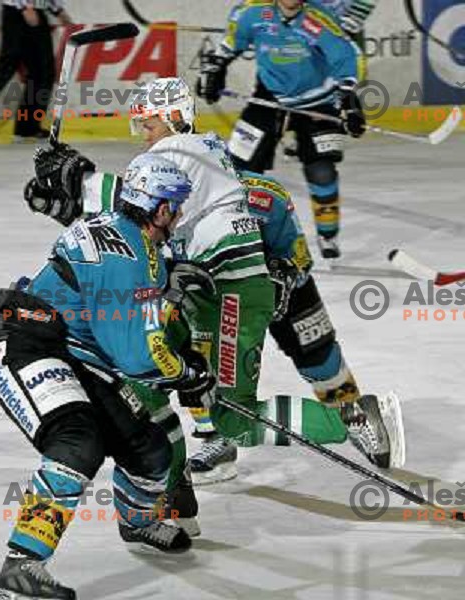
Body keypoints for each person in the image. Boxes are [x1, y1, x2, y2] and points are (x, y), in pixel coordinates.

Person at [24, 77, 402, 488]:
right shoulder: (202, 152)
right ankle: (174, 486)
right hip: (208, 286)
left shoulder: (180, 150)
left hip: (233, 287)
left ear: (174, 117)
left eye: (148, 125)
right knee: (149, 374)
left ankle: (353, 416)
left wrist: (77, 176)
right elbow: (135, 227)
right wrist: (69, 199)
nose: (144, 137)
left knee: (236, 416)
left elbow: (133, 199)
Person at [0, 153, 215, 599]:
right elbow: (134, 359)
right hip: (26, 347)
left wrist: (167, 278)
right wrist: (188, 373)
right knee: (77, 443)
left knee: (150, 452)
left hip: (77, 355)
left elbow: (124, 301)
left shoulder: (127, 234)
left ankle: (137, 523)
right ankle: (21, 568)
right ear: (160, 209)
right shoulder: (127, 258)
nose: (180, 214)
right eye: (176, 206)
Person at [197, 0, 367, 259]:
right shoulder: (253, 12)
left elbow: (346, 55)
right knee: (240, 166)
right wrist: (216, 68)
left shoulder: (317, 18)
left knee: (321, 171)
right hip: (269, 97)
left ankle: (327, 235)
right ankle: (241, 230)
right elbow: (232, 41)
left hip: (318, 99)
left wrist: (348, 98)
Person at [0, 0, 72, 145]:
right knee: (6, 68)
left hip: (34, 11)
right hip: (20, 11)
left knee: (42, 73)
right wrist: (26, 7)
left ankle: (26, 128)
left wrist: (57, 10)